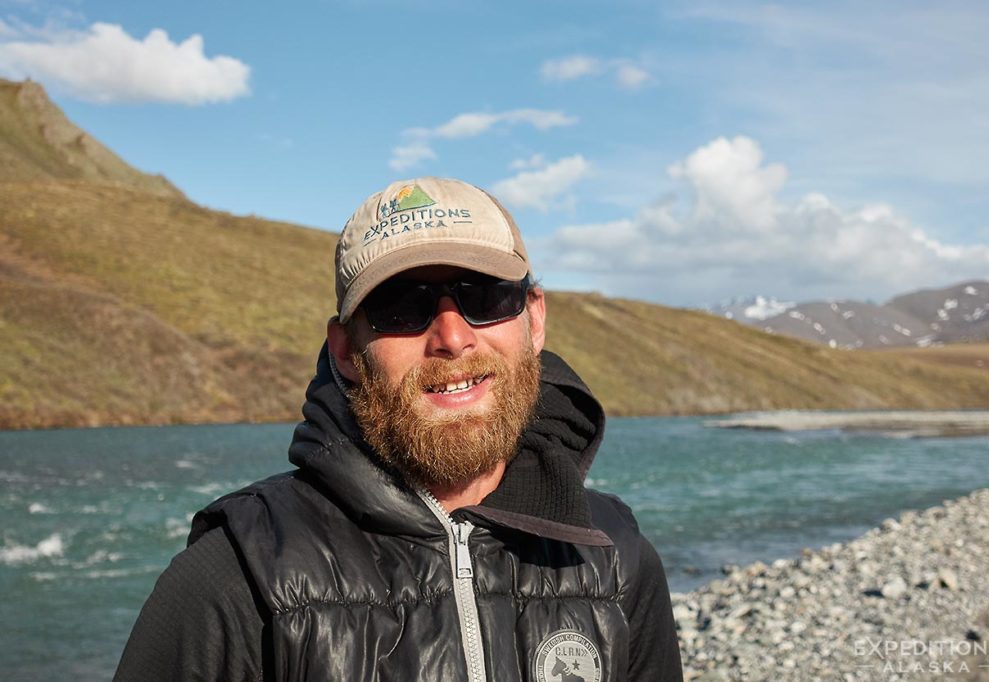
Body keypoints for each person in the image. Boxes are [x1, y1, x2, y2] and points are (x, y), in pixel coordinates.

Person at [115, 177, 682, 681]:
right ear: (345, 351)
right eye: (401, 308)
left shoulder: (617, 557)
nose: (452, 336)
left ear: (533, 320)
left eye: (485, 297)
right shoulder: (239, 577)